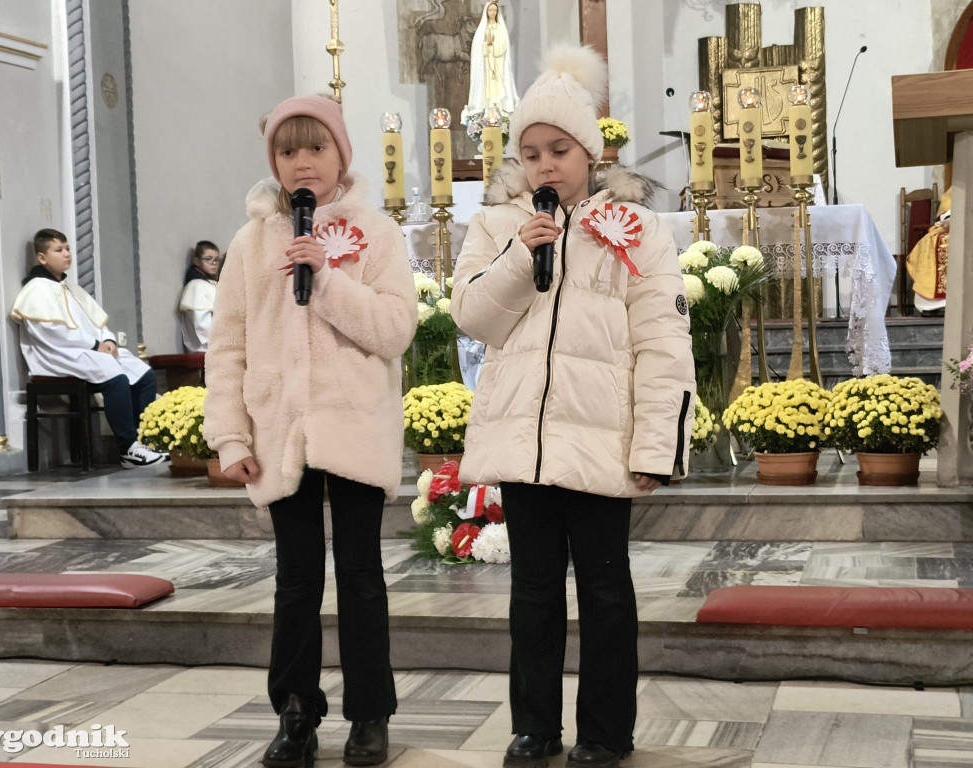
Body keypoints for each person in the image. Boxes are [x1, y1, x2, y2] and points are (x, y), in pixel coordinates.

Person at [450, 46, 694, 768]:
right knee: (532, 594)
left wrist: (656, 447)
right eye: (530, 154)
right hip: (524, 442)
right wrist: (524, 256)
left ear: (589, 152)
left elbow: (662, 344)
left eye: (559, 149)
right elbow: (472, 316)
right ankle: (534, 727)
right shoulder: (498, 229)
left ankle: (606, 733)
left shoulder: (636, 230)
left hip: (599, 441)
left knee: (606, 593)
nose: (545, 165)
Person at [202, 94, 417, 768]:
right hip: (280, 432)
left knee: (360, 574)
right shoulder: (250, 242)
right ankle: (295, 712)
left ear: (340, 155)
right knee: (295, 580)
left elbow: (393, 330)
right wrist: (231, 437)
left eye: (315, 147)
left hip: (353, 428)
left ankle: (370, 715)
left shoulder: (375, 234)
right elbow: (228, 345)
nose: (302, 161)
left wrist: (325, 279)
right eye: (288, 149)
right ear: (275, 160)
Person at [10, 229, 167, 469]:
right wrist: (95, 345)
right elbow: (51, 333)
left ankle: (147, 441)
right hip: (56, 355)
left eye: (68, 248)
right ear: (42, 257)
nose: (67, 254)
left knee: (141, 371)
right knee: (114, 374)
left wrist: (109, 341)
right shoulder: (36, 289)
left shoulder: (69, 287)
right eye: (59, 250)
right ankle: (128, 449)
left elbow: (96, 323)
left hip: (83, 351)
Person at [906, 186, 951, 316]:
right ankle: (933, 304)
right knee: (933, 241)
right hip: (956, 227)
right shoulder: (962, 185)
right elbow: (948, 208)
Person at [468, 1, 518, 114]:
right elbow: (478, 48)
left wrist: (493, 45)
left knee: (498, 86)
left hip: (498, 63)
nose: (492, 12)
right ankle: (487, 108)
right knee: (487, 87)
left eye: (494, 10)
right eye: (490, 10)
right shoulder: (482, 30)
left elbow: (503, 47)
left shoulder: (500, 28)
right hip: (486, 64)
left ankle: (499, 108)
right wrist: (487, 45)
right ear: (486, 12)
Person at [179, 240, 221, 352]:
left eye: (216, 259)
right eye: (208, 259)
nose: (214, 263)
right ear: (197, 261)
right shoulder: (196, 286)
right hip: (205, 348)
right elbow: (202, 325)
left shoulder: (213, 284)